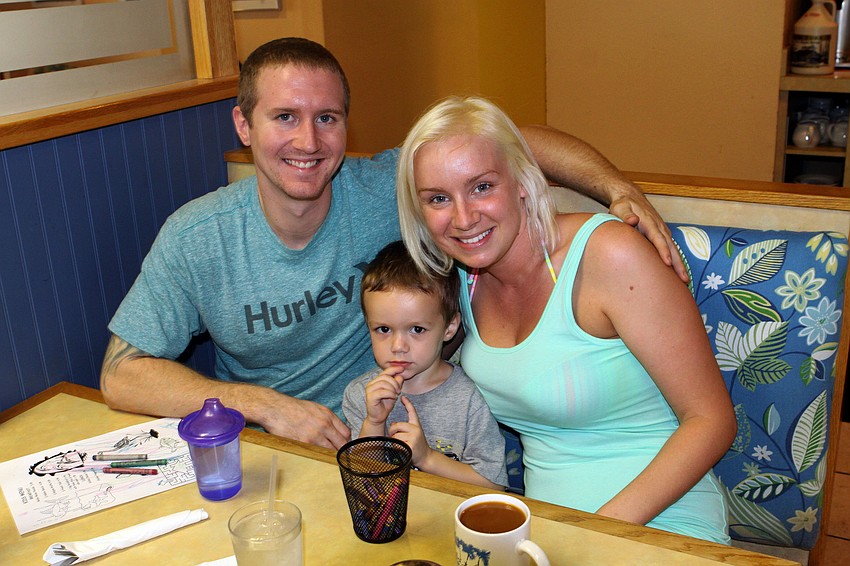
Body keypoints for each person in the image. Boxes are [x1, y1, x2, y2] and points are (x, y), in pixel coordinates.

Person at [99, 37, 686, 451]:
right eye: (285, 117)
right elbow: (122, 375)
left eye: (327, 118)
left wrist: (616, 188)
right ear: (243, 126)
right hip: (275, 456)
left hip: (407, 447)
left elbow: (508, 141)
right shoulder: (198, 238)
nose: (308, 141)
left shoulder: (390, 189)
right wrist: (266, 407)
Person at [395, 95, 737, 543]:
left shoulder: (609, 254)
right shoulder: (459, 279)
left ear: (522, 179)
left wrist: (592, 533)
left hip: (661, 521)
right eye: (439, 198)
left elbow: (712, 420)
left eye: (482, 187)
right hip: (547, 532)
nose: (463, 218)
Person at [342, 241, 507, 489]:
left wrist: (427, 458)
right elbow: (361, 484)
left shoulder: (469, 398)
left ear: (449, 327)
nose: (398, 346)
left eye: (417, 329)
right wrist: (374, 423)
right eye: (383, 329)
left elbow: (494, 486)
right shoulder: (362, 395)